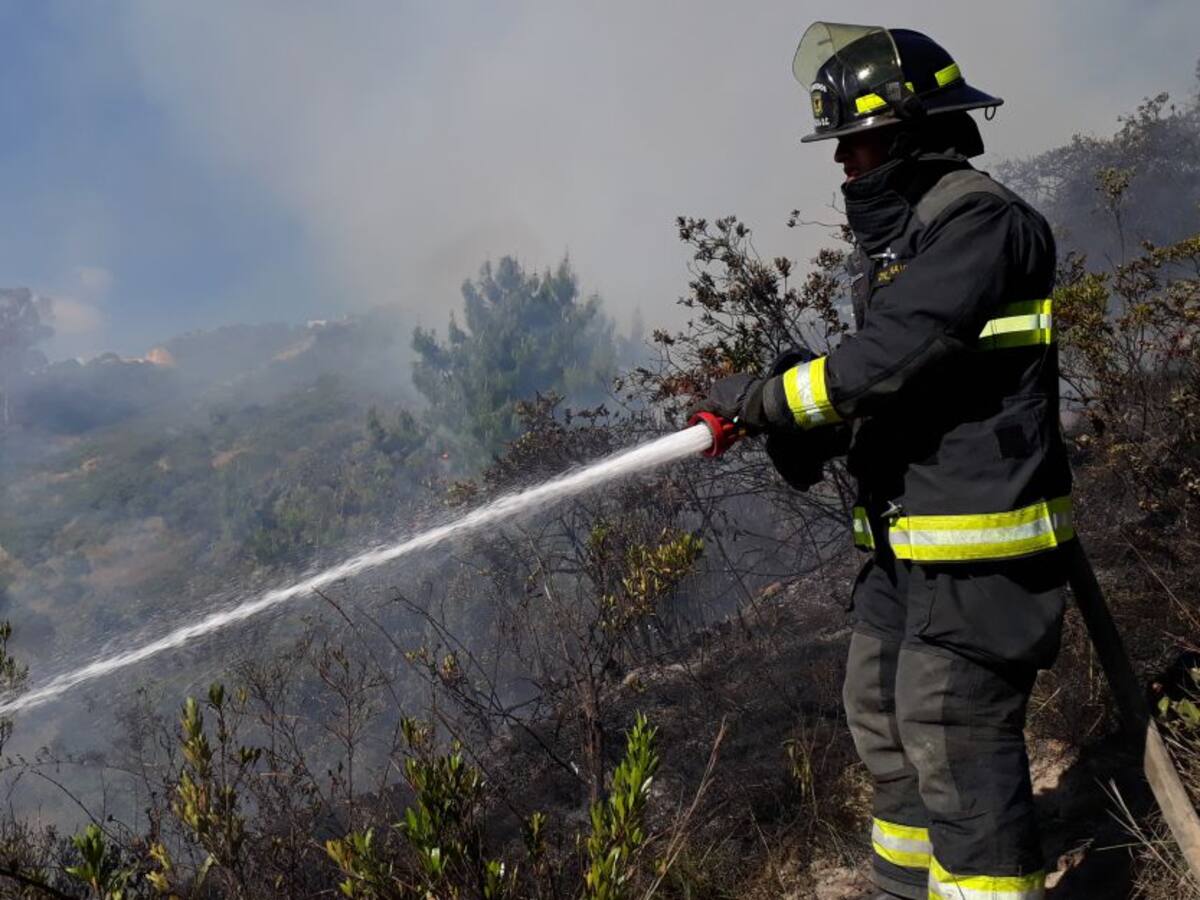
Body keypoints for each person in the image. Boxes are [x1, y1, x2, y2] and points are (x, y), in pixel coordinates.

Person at [689, 22, 1072, 900]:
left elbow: (892, 358)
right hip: (907, 550)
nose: (844, 167)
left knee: (953, 740)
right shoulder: (910, 245)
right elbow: (898, 386)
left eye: (853, 145)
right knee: (883, 721)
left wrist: (765, 398)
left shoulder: (982, 223)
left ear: (906, 133)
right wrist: (800, 419)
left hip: (978, 556)